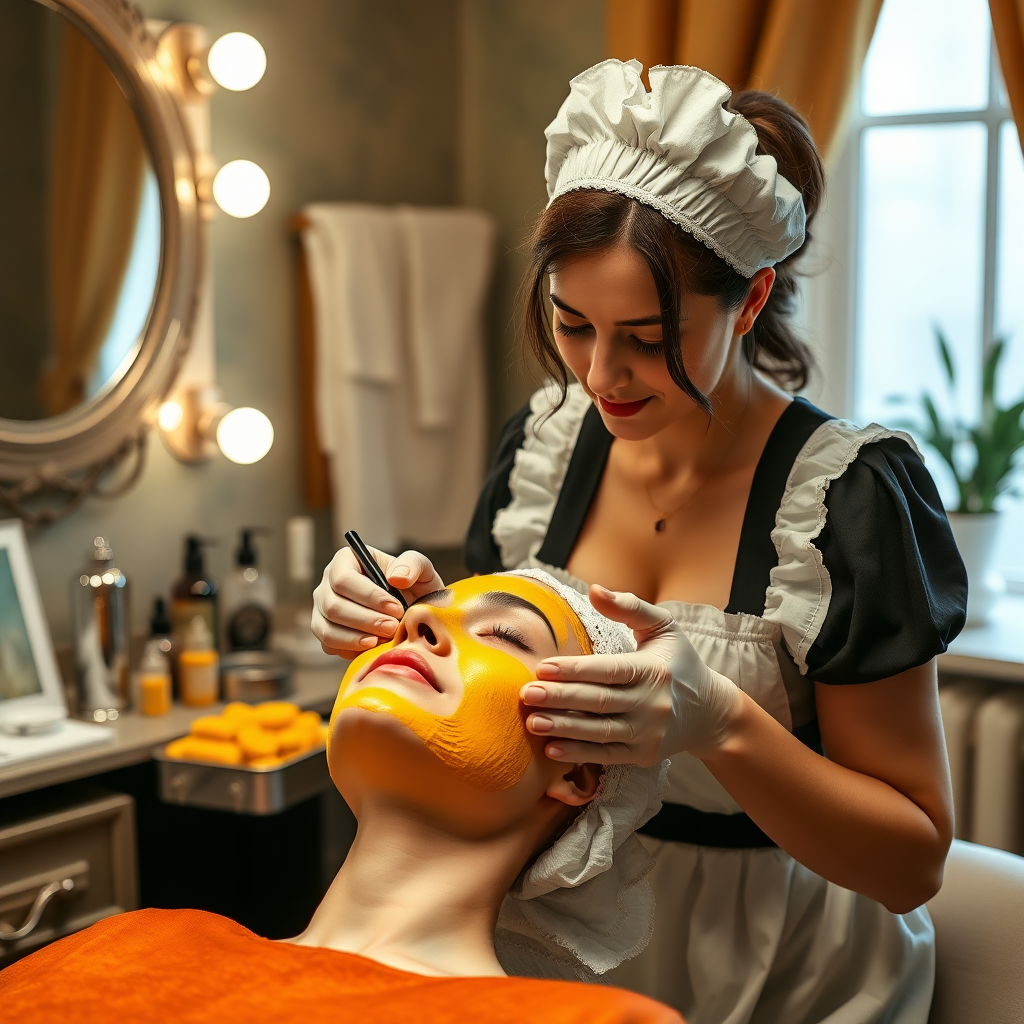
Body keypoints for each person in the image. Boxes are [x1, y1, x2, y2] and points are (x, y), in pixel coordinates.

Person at [311, 60, 968, 1024]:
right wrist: (408, 610)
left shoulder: (845, 501)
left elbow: (911, 861)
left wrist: (727, 727)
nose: (603, 374)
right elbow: (502, 681)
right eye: (572, 324)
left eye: (650, 337)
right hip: (556, 949)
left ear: (749, 304)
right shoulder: (545, 446)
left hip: (785, 968)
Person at [0, 571, 680, 1024]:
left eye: (504, 634)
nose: (417, 628)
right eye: (414, 616)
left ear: (580, 772)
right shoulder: (133, 941)